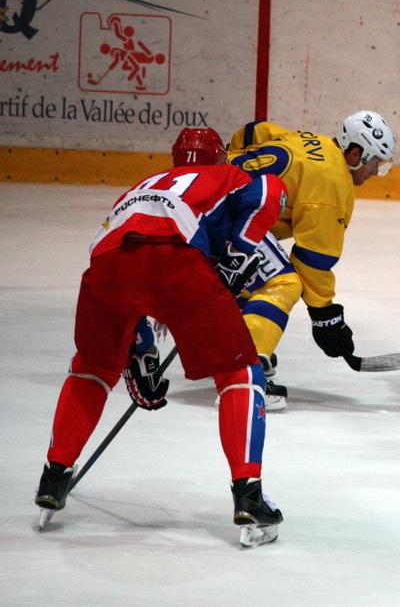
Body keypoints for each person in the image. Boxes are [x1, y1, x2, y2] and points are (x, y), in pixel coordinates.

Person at [34, 127, 288, 545]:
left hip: (105, 267)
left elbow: (124, 261)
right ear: (221, 157)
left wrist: (139, 348)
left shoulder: (142, 186)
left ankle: (53, 478)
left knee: (93, 368)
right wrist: (239, 254)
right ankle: (248, 496)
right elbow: (270, 191)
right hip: (176, 263)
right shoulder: (223, 176)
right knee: (239, 372)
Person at [226, 111, 397, 409]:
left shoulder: (311, 141)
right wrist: (326, 318)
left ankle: (237, 345)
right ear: (355, 154)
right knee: (283, 283)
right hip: (224, 219)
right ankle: (243, 376)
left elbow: (253, 132)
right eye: (374, 164)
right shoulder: (332, 183)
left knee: (251, 276)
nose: (374, 172)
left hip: (203, 195)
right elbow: (312, 259)